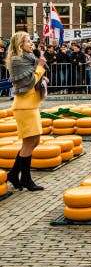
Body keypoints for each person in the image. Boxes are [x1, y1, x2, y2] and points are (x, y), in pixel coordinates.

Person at [6, 32, 47, 191]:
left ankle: (14, 174)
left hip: (32, 105)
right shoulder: (17, 61)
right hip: (24, 106)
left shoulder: (29, 58)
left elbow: (35, 77)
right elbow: (29, 83)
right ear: (19, 44)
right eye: (28, 41)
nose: (32, 43)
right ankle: (26, 179)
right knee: (29, 143)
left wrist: (40, 68)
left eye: (31, 40)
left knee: (34, 141)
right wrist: (40, 68)